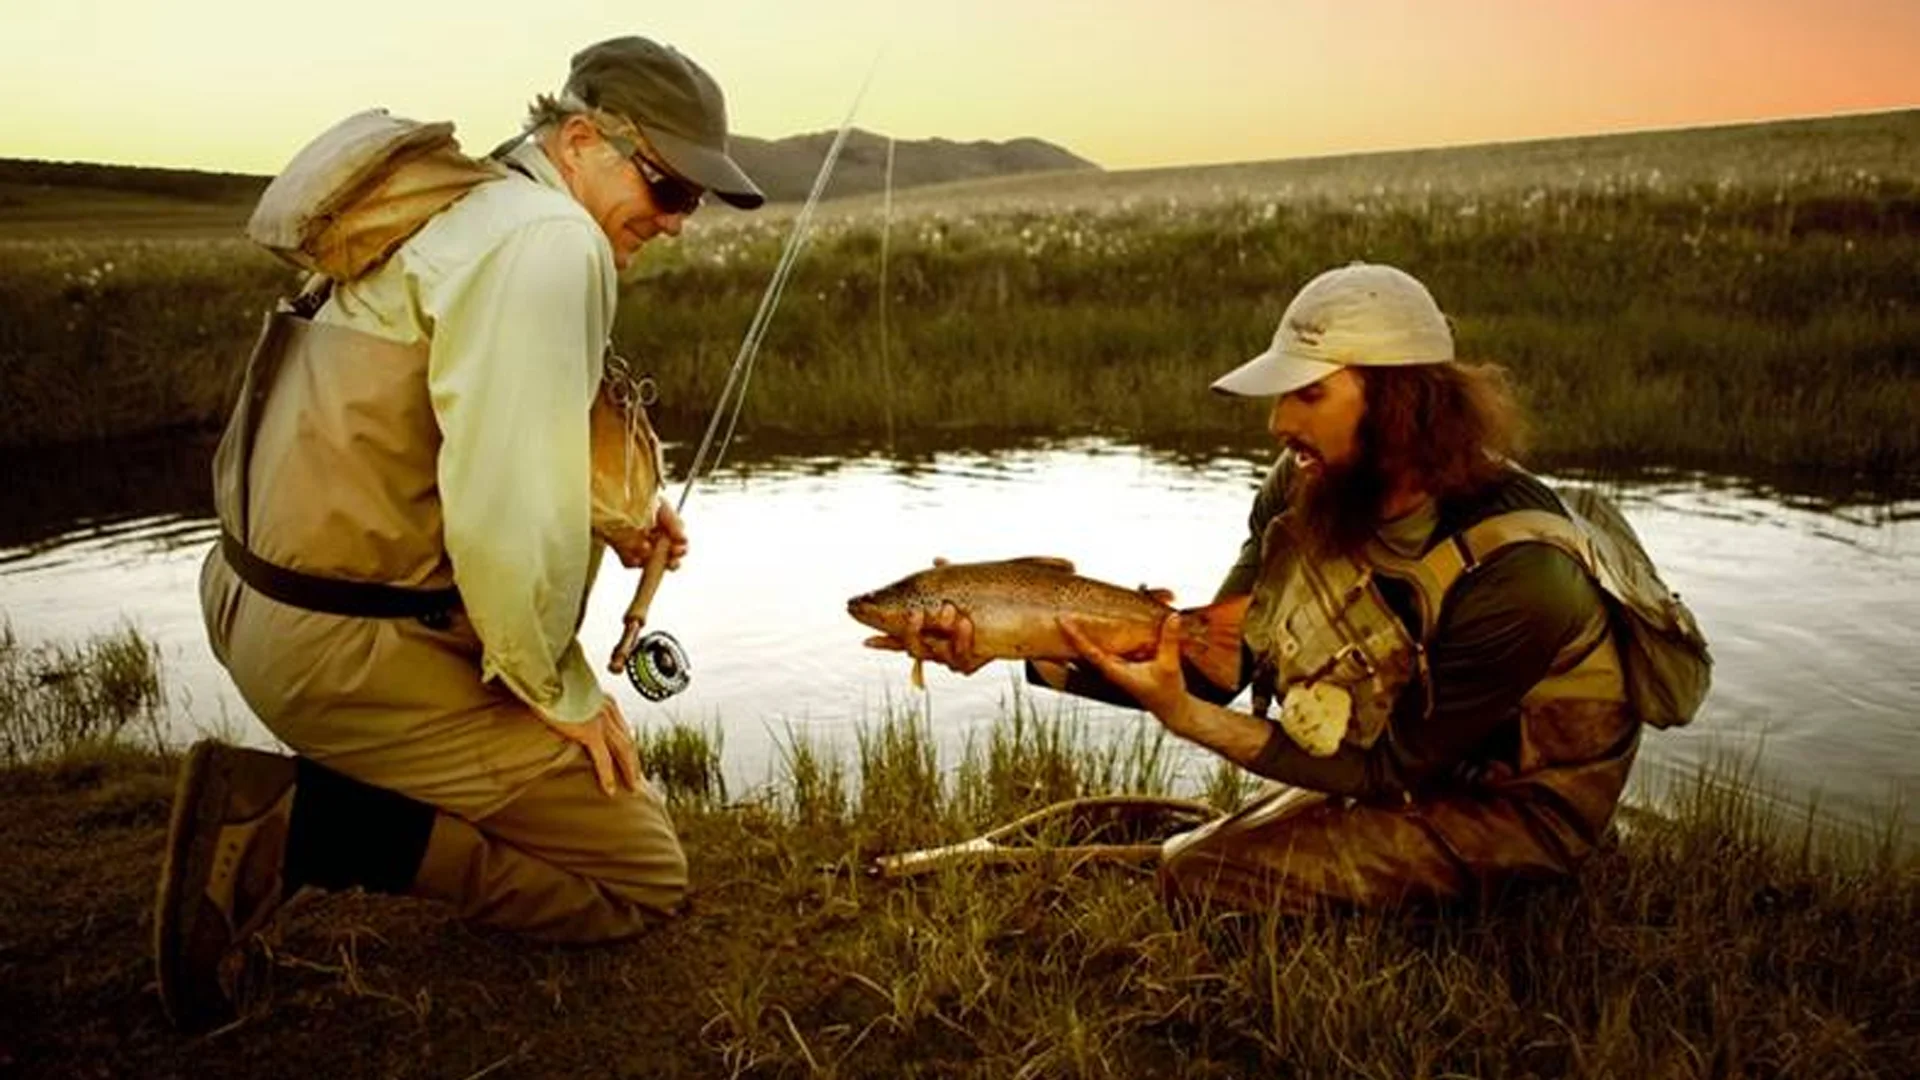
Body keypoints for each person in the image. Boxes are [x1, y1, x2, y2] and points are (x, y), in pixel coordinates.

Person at [154, 36, 765, 1031]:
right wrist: (552, 683)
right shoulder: (546, 240)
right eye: (667, 188)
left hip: (258, 606)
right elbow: (504, 505)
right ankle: (299, 828)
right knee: (642, 878)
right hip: (346, 651)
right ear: (580, 140)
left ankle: (341, 794)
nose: (677, 223)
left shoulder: (459, 211)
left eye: (694, 201)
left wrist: (609, 512)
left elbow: (430, 433)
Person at [898, 262, 1651, 918]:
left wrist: (1185, 721)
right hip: (1403, 766)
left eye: (1309, 394)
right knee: (1205, 850)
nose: (1277, 421)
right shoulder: (1306, 488)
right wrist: (1014, 639)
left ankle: (1530, 889)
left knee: (1197, 872)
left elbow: (1389, 771)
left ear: (1401, 402)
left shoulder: (1522, 572)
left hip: (1511, 805)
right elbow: (1214, 661)